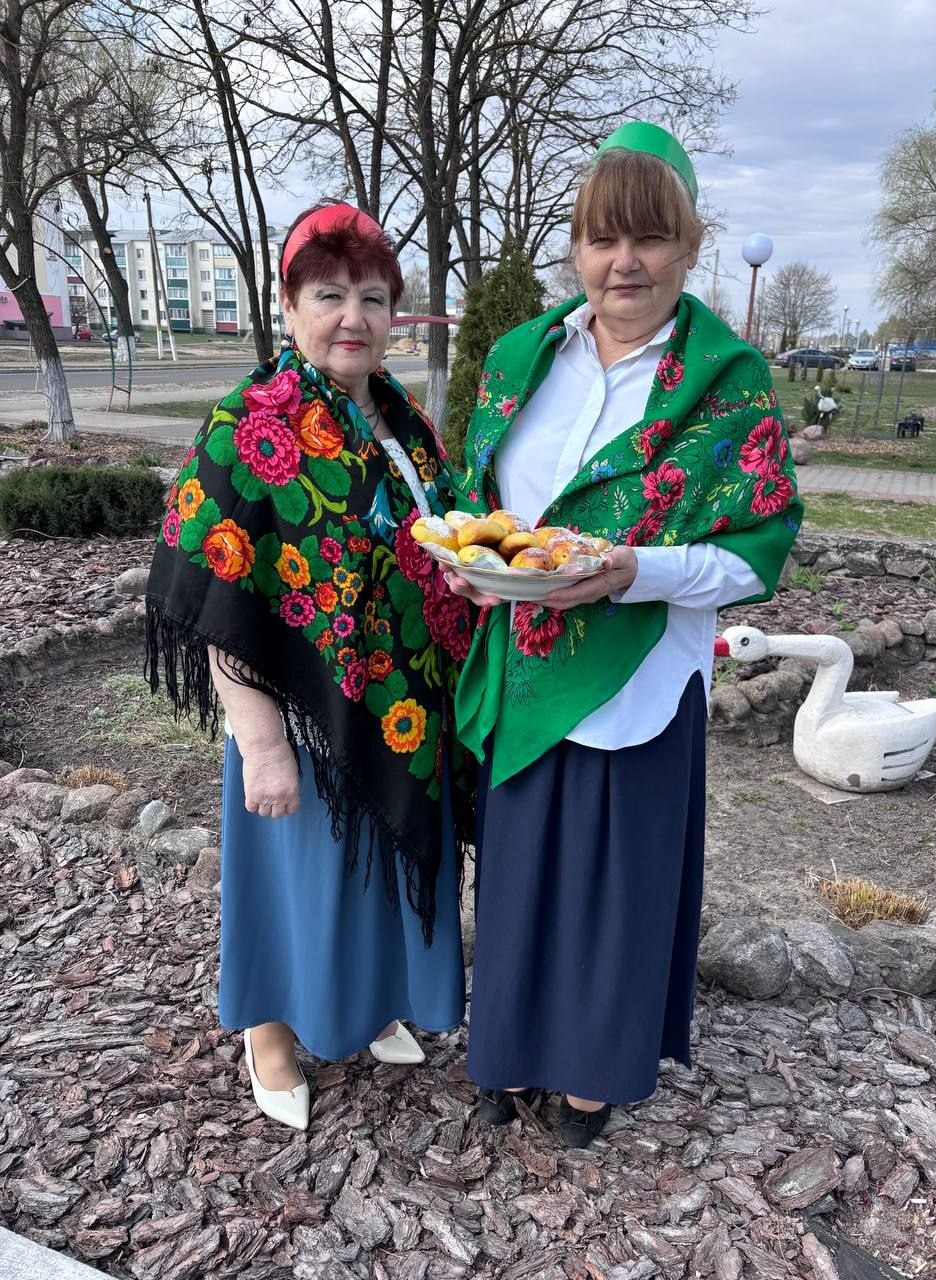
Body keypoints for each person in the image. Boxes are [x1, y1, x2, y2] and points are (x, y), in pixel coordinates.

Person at [446, 123, 803, 1148]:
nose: (625, 261)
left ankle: (592, 1076)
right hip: (525, 671)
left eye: (650, 237)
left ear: (690, 245)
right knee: (518, 876)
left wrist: (636, 570)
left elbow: (756, 553)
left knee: (612, 887)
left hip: (639, 678)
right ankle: (508, 1051)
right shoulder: (523, 358)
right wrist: (472, 564)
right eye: (604, 238)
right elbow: (484, 502)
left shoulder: (723, 383)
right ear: (577, 247)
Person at [145, 203, 472, 1132]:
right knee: (297, 887)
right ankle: (270, 1032)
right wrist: (260, 743)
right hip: (299, 713)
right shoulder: (252, 423)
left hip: (399, 706)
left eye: (373, 297)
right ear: (288, 306)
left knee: (374, 875)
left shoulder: (402, 420)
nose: (353, 318)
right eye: (329, 295)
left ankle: (368, 1005)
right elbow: (217, 589)